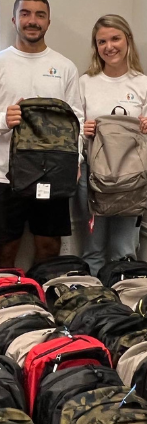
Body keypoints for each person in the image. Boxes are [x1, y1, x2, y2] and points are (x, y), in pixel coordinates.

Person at [0, 0, 84, 268]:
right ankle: (5, 307)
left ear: (48, 22)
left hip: (53, 176)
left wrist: (75, 161)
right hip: (7, 178)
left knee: (49, 248)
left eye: (39, 15)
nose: (32, 21)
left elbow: (76, 120)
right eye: (25, 13)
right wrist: (3, 119)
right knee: (5, 250)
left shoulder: (64, 67)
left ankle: (43, 306)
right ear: (14, 19)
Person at [74, 15, 147, 276]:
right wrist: (83, 129)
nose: (109, 46)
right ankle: (95, 307)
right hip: (93, 178)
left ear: (128, 39)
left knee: (124, 250)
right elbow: (75, 130)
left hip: (132, 181)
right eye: (101, 41)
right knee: (93, 249)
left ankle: (125, 307)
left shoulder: (142, 83)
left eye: (115, 38)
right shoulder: (85, 83)